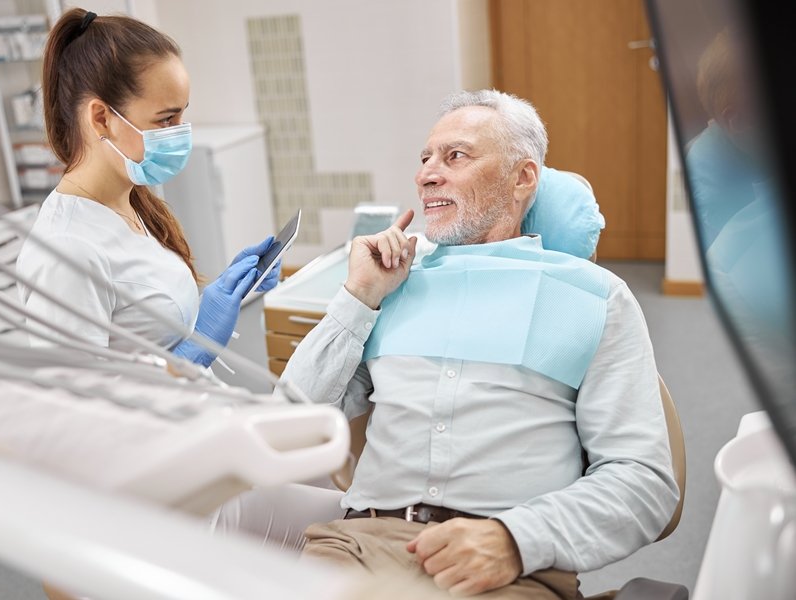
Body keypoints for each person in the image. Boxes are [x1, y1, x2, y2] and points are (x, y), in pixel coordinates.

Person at [276, 90, 679, 599]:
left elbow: (643, 480)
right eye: (425, 158)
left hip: (509, 568)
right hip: (362, 546)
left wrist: (515, 540)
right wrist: (358, 297)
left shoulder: (592, 297)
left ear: (522, 178)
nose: (426, 175)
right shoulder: (391, 288)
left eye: (455, 156)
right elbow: (290, 427)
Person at [16, 9, 279, 365]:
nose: (180, 133)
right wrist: (192, 354)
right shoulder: (65, 251)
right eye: (166, 120)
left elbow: (145, 326)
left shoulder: (130, 202)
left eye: (182, 115)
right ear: (101, 118)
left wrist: (220, 294)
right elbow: (80, 394)